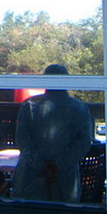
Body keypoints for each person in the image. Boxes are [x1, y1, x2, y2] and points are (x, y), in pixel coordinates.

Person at [11, 64, 95, 202]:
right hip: (66, 183)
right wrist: (57, 165)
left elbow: (23, 141)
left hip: (29, 180)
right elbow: (83, 143)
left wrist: (42, 166)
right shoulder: (80, 108)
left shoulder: (29, 106)